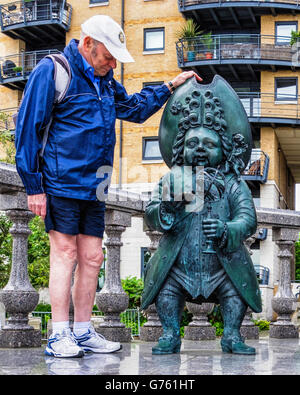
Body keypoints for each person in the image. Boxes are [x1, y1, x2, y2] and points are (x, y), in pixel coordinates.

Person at [14, 14, 201, 358]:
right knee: (65, 254)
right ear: (87, 44)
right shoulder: (54, 71)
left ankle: (83, 332)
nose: (112, 62)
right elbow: (27, 127)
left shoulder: (105, 80)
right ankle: (58, 335)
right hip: (60, 182)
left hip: (97, 183)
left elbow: (133, 108)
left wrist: (170, 86)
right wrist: (33, 185)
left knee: (93, 256)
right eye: (108, 56)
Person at [141, 75, 262, 355]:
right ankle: (170, 333)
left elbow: (248, 218)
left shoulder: (233, 183)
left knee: (234, 291)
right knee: (167, 290)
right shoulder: (173, 180)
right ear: (180, 149)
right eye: (192, 144)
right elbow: (150, 213)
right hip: (178, 267)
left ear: (223, 150)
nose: (199, 149)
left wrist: (227, 228)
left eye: (208, 145)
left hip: (222, 266)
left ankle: (232, 334)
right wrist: (166, 209)